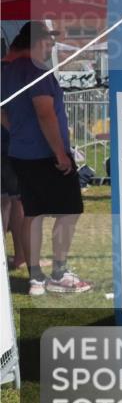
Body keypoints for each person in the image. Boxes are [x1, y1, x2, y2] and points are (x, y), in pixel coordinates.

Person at [0, 22, 91, 295]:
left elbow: (3, 112)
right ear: (36, 41)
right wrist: (60, 153)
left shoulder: (8, 70)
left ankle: (36, 278)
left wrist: (16, 131)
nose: (51, 46)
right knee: (69, 210)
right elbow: (45, 112)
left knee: (33, 212)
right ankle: (58, 273)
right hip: (45, 155)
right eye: (48, 41)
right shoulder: (37, 71)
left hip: (21, 152)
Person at [1, 40, 30, 272]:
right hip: (9, 147)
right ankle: (20, 256)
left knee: (7, 201)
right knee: (18, 201)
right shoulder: (9, 73)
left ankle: (14, 257)